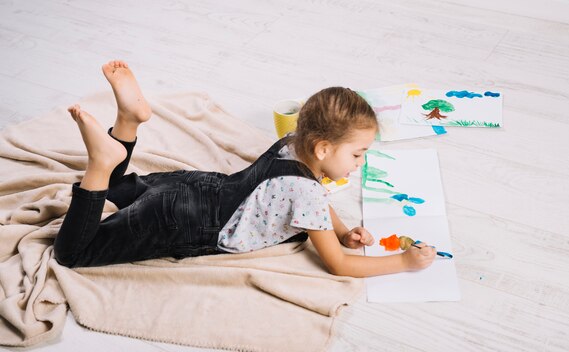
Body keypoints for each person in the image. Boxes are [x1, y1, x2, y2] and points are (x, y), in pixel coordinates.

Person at [53, 60, 436, 277]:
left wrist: (340, 230)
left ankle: (127, 123)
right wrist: (403, 261)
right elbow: (336, 264)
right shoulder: (309, 192)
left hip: (198, 186)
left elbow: (315, 200)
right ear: (323, 147)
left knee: (113, 190)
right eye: (357, 154)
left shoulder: (292, 144)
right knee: (73, 252)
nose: (361, 162)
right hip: (184, 220)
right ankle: (101, 161)